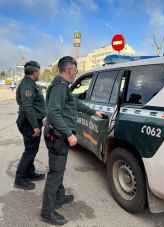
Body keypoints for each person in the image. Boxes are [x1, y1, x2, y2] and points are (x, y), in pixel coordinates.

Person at [41, 56, 104, 225]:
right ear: (69, 70)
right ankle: (47, 211)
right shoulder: (60, 87)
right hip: (59, 136)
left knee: (58, 169)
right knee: (56, 173)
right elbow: (54, 112)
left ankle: (59, 198)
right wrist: (69, 133)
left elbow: (74, 102)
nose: (76, 73)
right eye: (75, 70)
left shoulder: (63, 86)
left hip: (57, 135)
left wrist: (93, 112)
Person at [15, 61, 46, 190]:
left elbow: (20, 101)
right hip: (29, 124)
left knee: (32, 150)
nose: (40, 73)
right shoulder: (28, 85)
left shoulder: (29, 84)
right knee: (30, 151)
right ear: (34, 72)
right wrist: (35, 125)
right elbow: (27, 106)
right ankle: (20, 178)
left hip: (30, 121)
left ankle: (30, 172)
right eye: (39, 71)